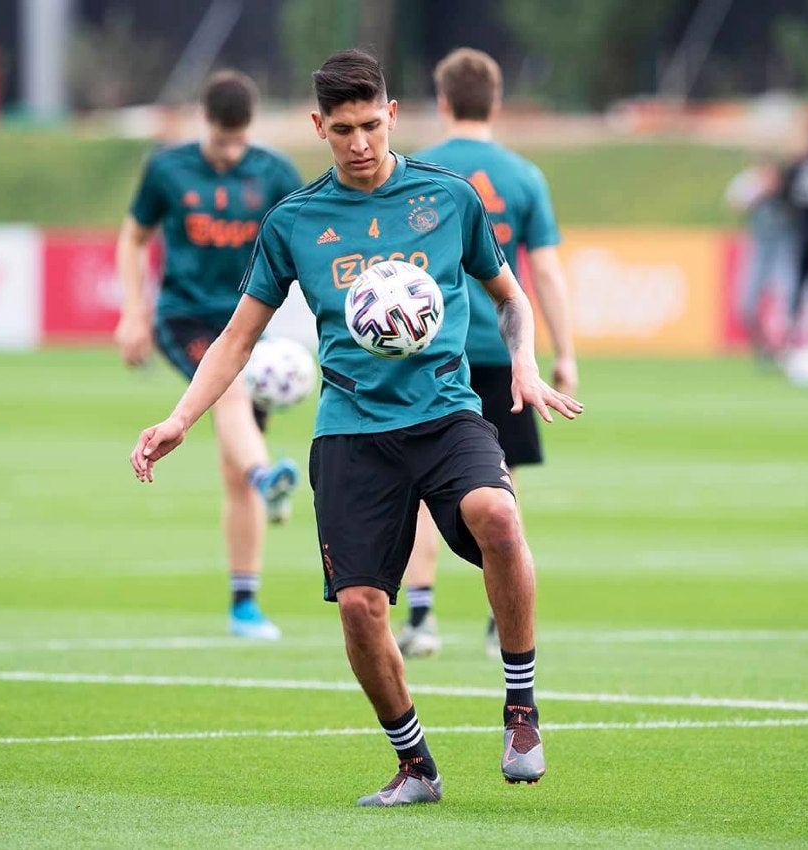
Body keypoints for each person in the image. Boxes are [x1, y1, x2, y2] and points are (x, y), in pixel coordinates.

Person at [130, 49, 583, 806]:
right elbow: (238, 337)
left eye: (372, 124)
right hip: (351, 430)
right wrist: (181, 416)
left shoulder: (448, 199)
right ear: (319, 127)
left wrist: (527, 365)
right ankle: (416, 766)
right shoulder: (295, 221)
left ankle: (521, 712)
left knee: (498, 514)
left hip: (446, 410)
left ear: (393, 115)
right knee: (362, 608)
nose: (361, 142)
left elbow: (511, 296)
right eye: (343, 129)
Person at [397, 48, 578, 659]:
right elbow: (545, 274)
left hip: (432, 351)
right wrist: (564, 352)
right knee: (501, 487)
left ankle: (421, 617)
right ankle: (504, 619)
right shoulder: (525, 176)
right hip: (508, 354)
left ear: (443, 101)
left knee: (425, 482)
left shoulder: (417, 170)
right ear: (495, 103)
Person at [115, 70, 303, 640]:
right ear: (205, 122)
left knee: (232, 468)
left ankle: (244, 602)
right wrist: (132, 311)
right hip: (185, 315)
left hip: (249, 321)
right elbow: (133, 237)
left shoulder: (272, 172)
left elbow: (307, 233)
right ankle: (268, 474)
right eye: (222, 141)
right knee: (229, 388)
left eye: (238, 141)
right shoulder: (168, 169)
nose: (230, 152)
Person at [725, 153, 793, 359]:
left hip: (784, 245)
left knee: (786, 294)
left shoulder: (787, 186)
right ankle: (759, 343)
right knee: (747, 298)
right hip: (760, 245)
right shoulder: (750, 184)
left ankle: (785, 342)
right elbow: (735, 206)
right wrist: (760, 195)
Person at [783, 114, 808, 344]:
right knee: (797, 289)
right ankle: (794, 340)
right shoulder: (800, 165)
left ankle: (793, 340)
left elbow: (786, 198)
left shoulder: (800, 166)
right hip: (804, 237)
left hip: (804, 237)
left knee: (798, 289)